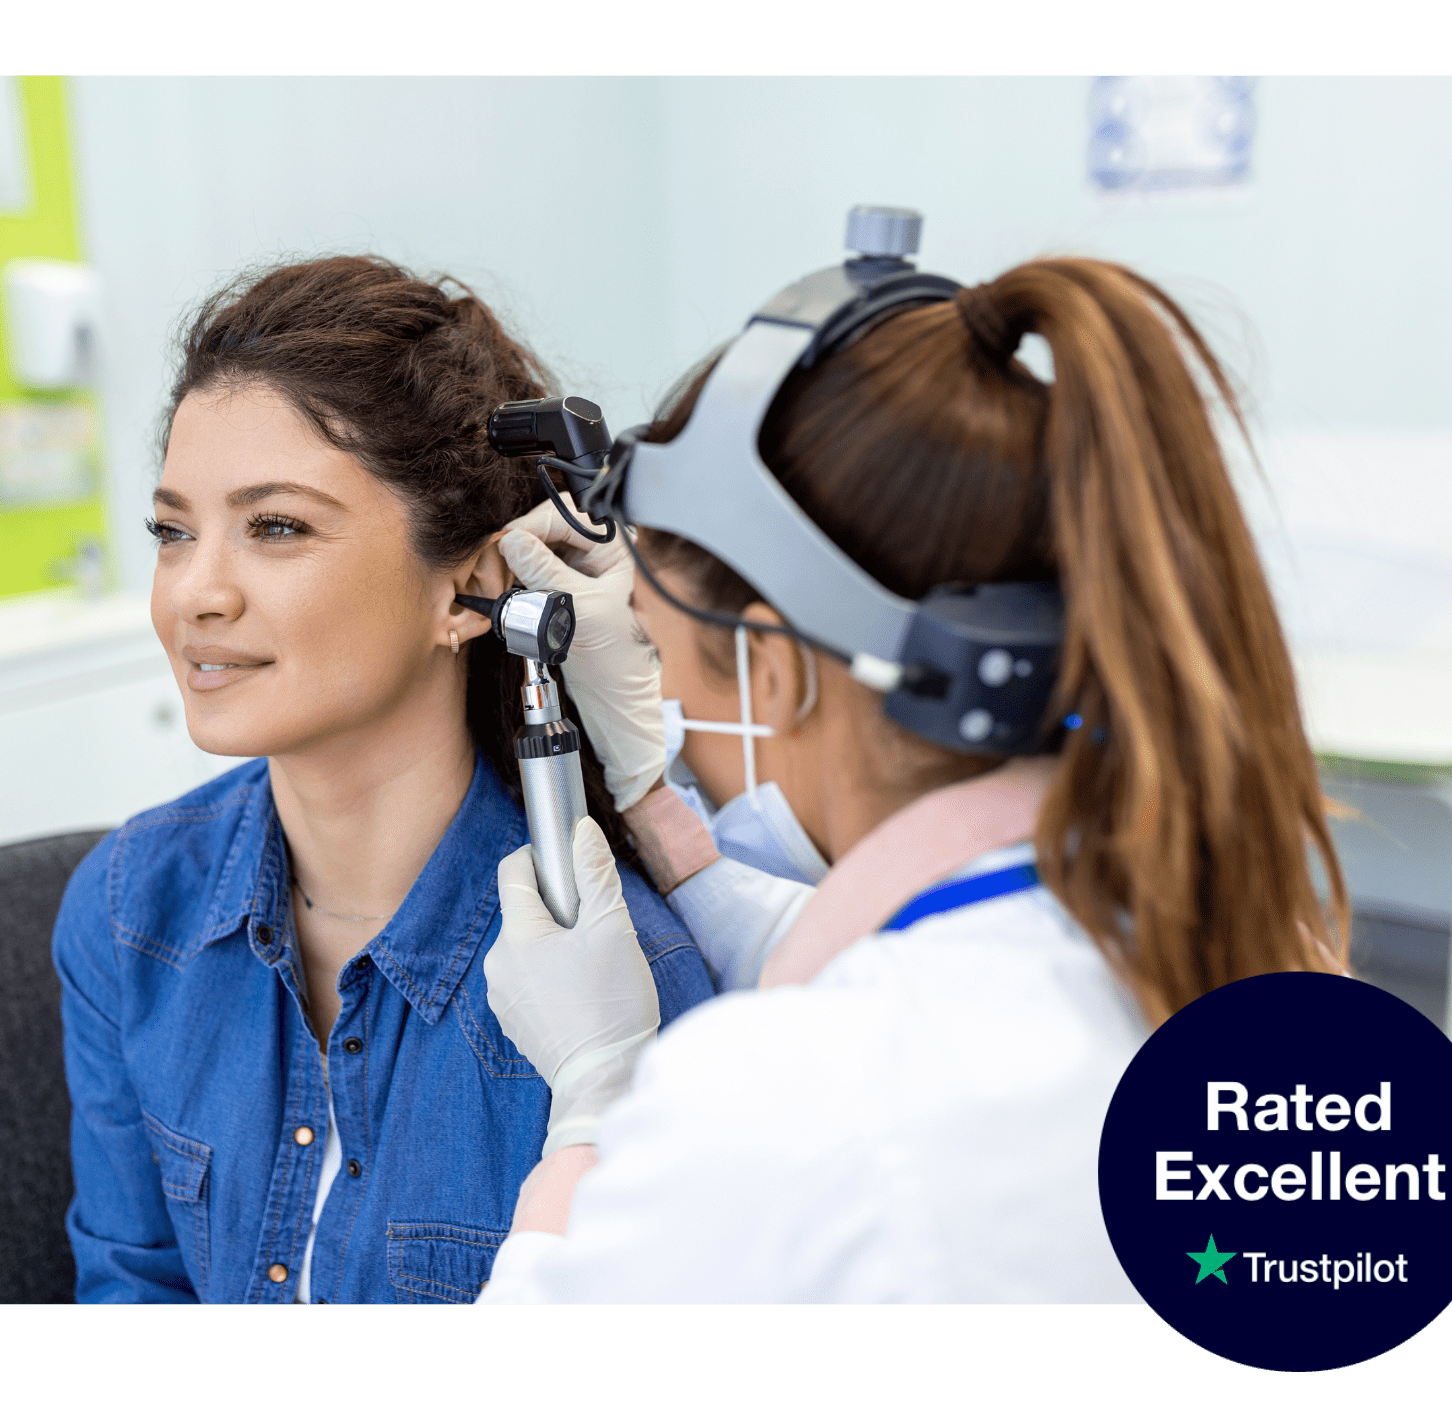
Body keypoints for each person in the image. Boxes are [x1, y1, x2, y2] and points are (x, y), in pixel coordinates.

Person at [475, 251, 1350, 1303]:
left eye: (657, 649)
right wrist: (670, 832)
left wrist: (589, 1095)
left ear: (773, 670)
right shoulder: (1264, 959)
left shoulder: (789, 1108)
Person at [51, 256, 715, 1305]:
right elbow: (132, 1287)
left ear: (470, 587)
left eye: (276, 526)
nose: (195, 593)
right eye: (173, 531)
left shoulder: (613, 989)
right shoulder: (130, 908)